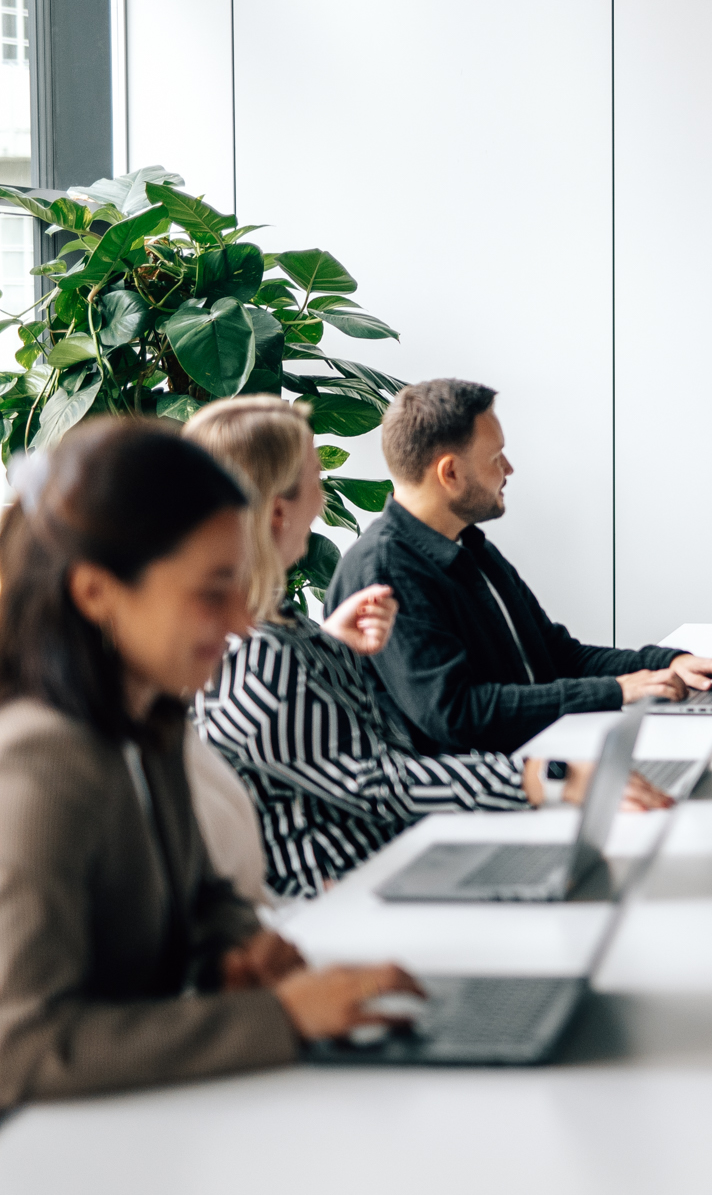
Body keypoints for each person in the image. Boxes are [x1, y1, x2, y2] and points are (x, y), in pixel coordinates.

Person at [0, 419, 420, 1105]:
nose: (239, 620)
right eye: (212, 589)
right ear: (96, 592)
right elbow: (20, 1047)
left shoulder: (151, 720)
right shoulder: (35, 767)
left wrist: (241, 941)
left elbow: (198, 894)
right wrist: (282, 1015)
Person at [187, 398, 662, 900]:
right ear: (279, 512)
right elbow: (378, 780)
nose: (324, 499)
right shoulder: (259, 655)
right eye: (315, 480)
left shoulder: (274, 633)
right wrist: (546, 778)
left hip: (398, 869)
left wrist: (328, 646)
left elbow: (295, 729)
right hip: (351, 903)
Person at [327, 379, 712, 758]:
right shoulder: (387, 571)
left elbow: (555, 655)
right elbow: (456, 714)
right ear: (450, 473)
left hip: (538, 760)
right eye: (495, 457)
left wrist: (666, 664)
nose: (508, 469)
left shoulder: (469, 547)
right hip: (474, 803)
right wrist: (616, 691)